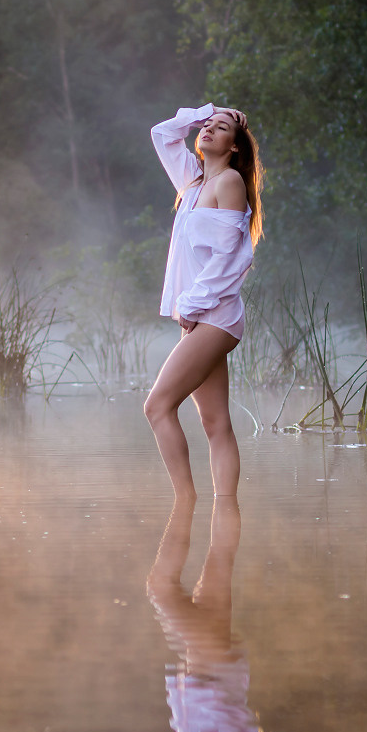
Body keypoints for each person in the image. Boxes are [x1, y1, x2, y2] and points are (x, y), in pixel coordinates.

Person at [147, 497, 269, 732]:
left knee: (219, 558)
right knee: (160, 589)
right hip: (212, 675)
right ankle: (185, 496)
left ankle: (213, 494)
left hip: (209, 674)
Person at [142, 104, 262, 500]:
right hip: (200, 316)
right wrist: (209, 110)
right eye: (206, 126)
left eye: (221, 127)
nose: (209, 129)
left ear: (234, 147)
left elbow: (233, 258)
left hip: (214, 316)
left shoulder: (228, 182)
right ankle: (226, 513)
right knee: (216, 424)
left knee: (157, 407)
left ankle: (185, 502)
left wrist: (190, 305)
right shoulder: (192, 183)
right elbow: (162, 133)